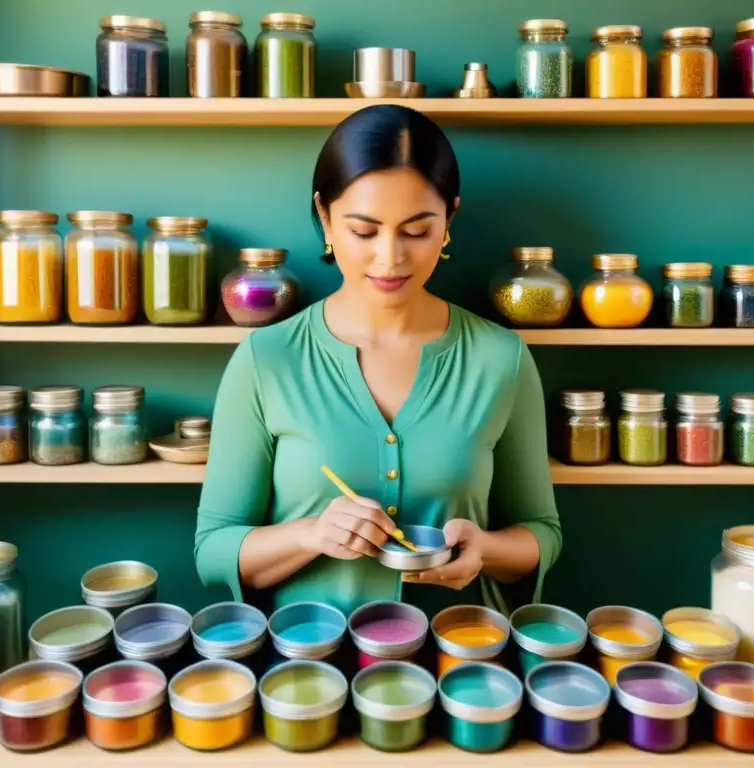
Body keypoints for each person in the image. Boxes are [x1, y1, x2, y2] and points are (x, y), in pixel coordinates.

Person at [194, 105, 561, 619]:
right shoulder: (265, 359)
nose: (390, 258)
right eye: (364, 231)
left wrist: (485, 551)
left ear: (449, 221)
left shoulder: (502, 358)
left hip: (462, 667)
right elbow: (212, 551)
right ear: (324, 217)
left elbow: (542, 533)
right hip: (307, 669)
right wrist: (311, 534)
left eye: (417, 231)